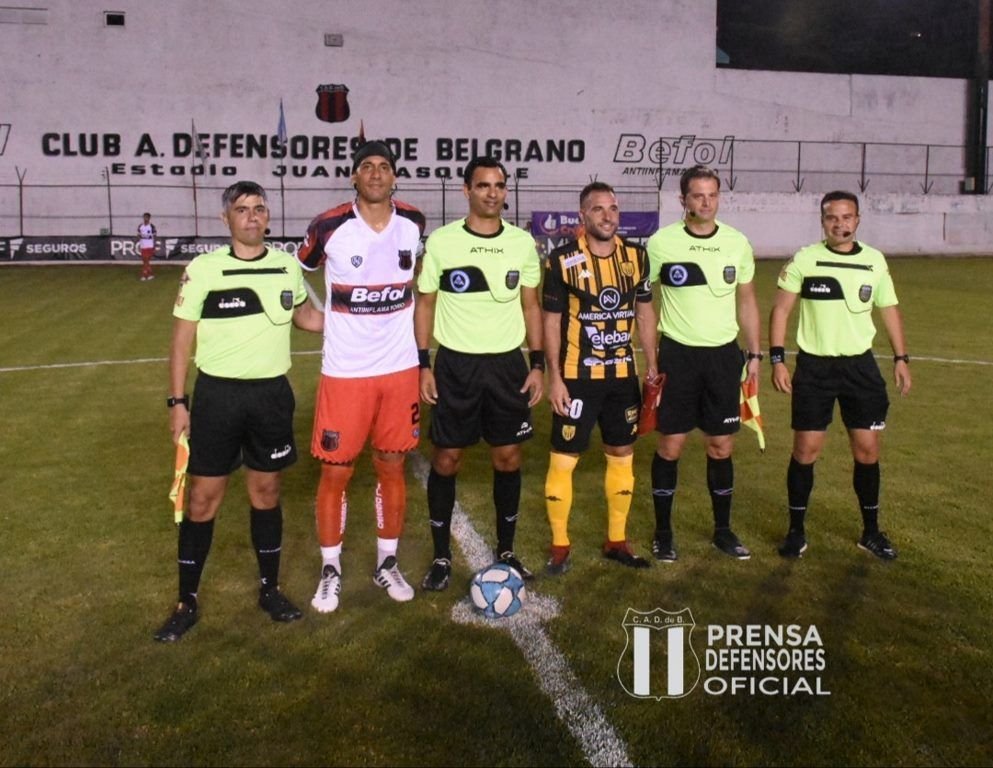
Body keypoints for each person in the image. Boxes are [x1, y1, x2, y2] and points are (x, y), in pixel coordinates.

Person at [154, 181, 324, 643]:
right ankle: (186, 601)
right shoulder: (204, 269)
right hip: (218, 398)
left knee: (266, 492)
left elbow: (307, 317)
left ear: (268, 216)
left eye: (259, 208)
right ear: (225, 218)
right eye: (242, 209)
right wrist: (177, 402)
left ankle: (270, 590)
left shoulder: (286, 267)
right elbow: (181, 341)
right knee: (202, 499)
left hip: (271, 396)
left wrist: (364, 317)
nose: (252, 216)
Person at [297, 140, 426, 613]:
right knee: (337, 470)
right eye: (366, 166)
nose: (375, 173)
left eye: (384, 166)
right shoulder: (328, 226)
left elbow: (415, 281)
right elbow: (294, 273)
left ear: (394, 176)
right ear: (354, 176)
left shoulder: (413, 222)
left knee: (392, 466)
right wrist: (313, 315)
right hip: (346, 372)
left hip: (399, 369)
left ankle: (386, 563)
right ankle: (330, 568)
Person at [415, 156, 544, 590]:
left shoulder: (522, 244)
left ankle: (506, 551)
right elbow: (425, 304)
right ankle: (441, 556)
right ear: (466, 189)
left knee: (508, 457)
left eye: (499, 185)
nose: (493, 193)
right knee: (446, 459)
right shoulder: (443, 242)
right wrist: (423, 364)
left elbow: (531, 306)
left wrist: (538, 364)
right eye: (484, 185)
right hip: (456, 366)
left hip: (507, 366)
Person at [769, 191, 911, 560]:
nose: (840, 224)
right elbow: (781, 310)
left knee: (867, 450)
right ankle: (796, 531)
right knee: (806, 450)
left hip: (860, 369)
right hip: (815, 368)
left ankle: (871, 532)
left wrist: (901, 358)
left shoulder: (874, 261)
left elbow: (889, 309)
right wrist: (778, 359)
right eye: (832, 217)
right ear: (823, 221)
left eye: (847, 217)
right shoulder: (805, 259)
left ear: (857, 220)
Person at [645, 164, 762, 562]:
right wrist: (650, 357)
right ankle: (663, 533)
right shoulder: (661, 243)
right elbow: (643, 302)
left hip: (723, 358)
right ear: (683, 200)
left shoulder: (736, 243)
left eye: (712, 195)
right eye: (698, 195)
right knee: (671, 445)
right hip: (677, 356)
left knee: (721, 446)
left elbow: (747, 300)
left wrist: (755, 354)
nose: (706, 202)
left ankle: (723, 531)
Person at [541, 181, 658, 574]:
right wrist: (555, 377)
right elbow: (551, 321)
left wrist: (652, 364)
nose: (608, 216)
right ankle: (560, 545)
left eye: (613, 208)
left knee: (622, 455)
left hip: (623, 377)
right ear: (583, 215)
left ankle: (617, 541)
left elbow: (644, 311)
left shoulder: (637, 257)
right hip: (577, 378)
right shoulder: (562, 260)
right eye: (598, 209)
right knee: (564, 459)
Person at [137, 212, 157, 281]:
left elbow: (155, 236)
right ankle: (150, 275)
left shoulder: (152, 226)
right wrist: (139, 243)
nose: (145, 219)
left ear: (149, 218)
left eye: (147, 217)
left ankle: (144, 275)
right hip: (143, 246)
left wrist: (154, 246)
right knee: (145, 261)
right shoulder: (140, 226)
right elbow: (138, 235)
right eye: (144, 217)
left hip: (149, 246)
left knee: (146, 260)